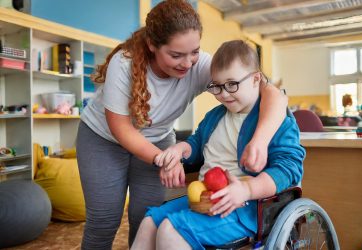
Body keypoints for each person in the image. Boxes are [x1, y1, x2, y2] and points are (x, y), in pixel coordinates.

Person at [76, 0, 288, 249]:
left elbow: (272, 93)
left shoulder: (200, 65)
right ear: (152, 45)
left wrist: (260, 140)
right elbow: (120, 127)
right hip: (104, 139)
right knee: (104, 219)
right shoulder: (124, 63)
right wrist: (164, 159)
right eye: (176, 55)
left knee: (144, 214)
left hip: (158, 140)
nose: (188, 63)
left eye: (194, 52)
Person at [131, 40, 305, 250]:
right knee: (150, 222)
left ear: (255, 79)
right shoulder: (215, 116)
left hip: (247, 208)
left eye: (232, 84)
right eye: (216, 86)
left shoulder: (275, 121)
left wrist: (247, 190)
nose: (223, 94)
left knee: (170, 230)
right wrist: (179, 150)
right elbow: (196, 145)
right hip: (206, 199)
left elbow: (287, 170)